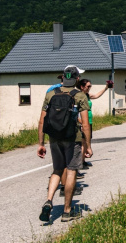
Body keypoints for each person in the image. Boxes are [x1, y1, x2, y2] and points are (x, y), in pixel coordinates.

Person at [37, 65, 91, 223]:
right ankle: (67, 211)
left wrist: (41, 143)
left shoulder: (51, 94)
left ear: (63, 77)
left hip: (54, 138)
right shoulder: (80, 95)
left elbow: (42, 121)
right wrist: (87, 145)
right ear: (77, 79)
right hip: (72, 139)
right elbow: (85, 125)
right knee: (72, 171)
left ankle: (49, 200)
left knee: (57, 170)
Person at [76, 78, 112, 168]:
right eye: (88, 86)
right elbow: (76, 111)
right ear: (82, 87)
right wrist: (79, 121)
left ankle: (83, 161)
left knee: (86, 142)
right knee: (83, 142)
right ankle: (79, 164)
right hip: (82, 122)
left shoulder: (87, 95)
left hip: (89, 121)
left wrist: (106, 88)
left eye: (90, 86)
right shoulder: (78, 96)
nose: (89, 88)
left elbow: (96, 95)